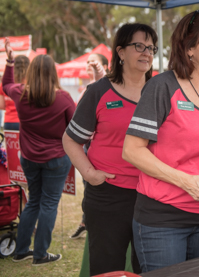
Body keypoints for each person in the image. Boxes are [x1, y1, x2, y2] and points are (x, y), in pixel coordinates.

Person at [122, 10, 199, 273]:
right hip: (163, 219)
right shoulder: (162, 87)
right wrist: (185, 180)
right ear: (188, 48)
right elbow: (131, 150)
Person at [63, 23, 157, 275]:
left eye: (151, 48)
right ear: (120, 52)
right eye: (139, 46)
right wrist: (89, 173)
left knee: (146, 268)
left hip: (152, 196)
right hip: (108, 197)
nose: (147, 52)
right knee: (107, 268)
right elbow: (70, 140)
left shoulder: (160, 90)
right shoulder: (99, 91)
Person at [3, 38, 75, 266]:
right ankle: (40, 254)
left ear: (32, 71)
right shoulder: (63, 98)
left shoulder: (20, 93)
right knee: (49, 204)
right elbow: (75, 127)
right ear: (53, 73)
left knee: (34, 201)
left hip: (29, 158)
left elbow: (5, 85)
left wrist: (10, 62)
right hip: (56, 158)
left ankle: (21, 250)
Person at [70, 52, 109, 240]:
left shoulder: (103, 87)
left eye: (93, 64)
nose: (88, 66)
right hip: (87, 149)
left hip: (98, 151)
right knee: (89, 188)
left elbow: (104, 87)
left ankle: (87, 222)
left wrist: (99, 73)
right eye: (87, 63)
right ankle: (86, 222)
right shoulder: (89, 89)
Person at [0, 55, 30, 130]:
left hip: (8, 122)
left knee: (9, 142)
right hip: (24, 121)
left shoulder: (4, 84)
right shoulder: (29, 85)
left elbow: (1, 105)